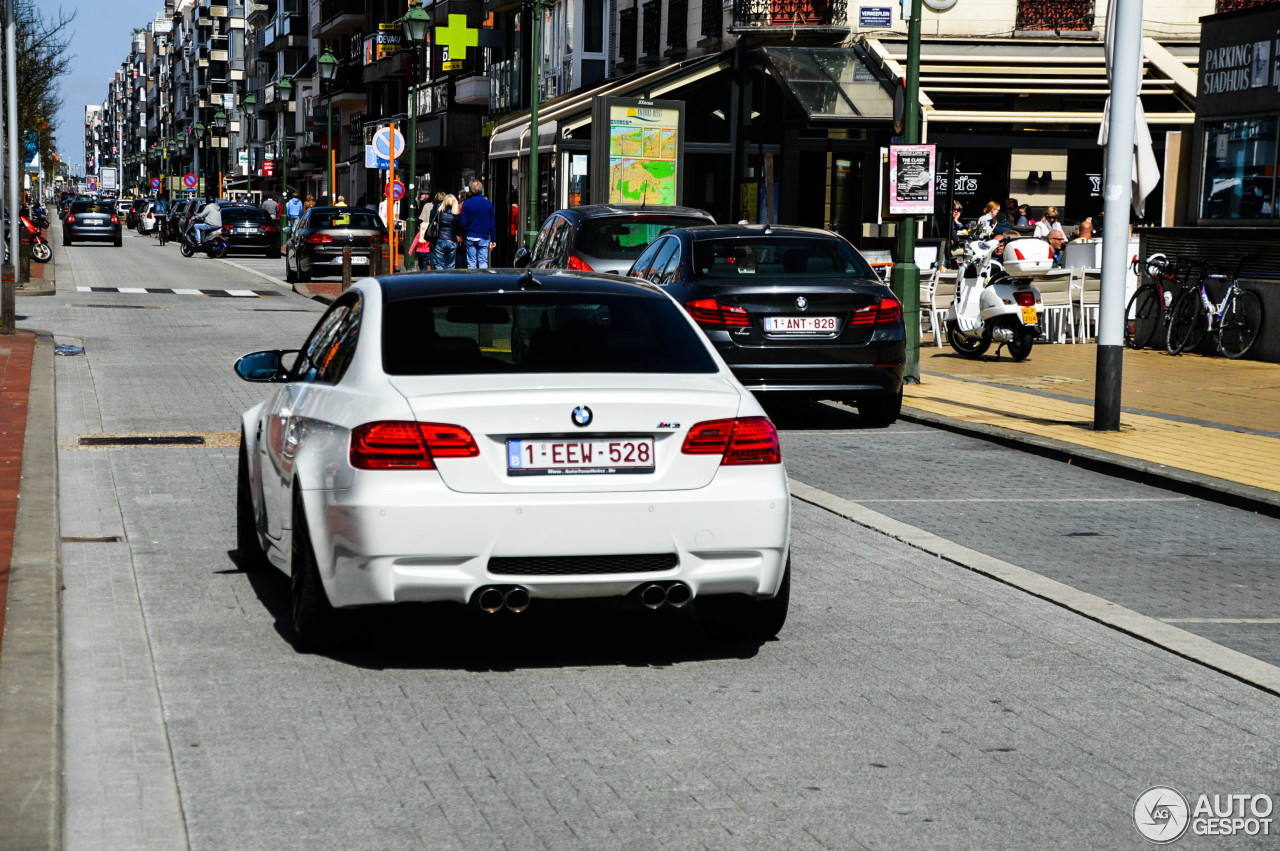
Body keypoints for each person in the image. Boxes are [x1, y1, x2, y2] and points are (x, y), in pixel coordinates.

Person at [458, 180, 495, 269]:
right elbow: (492, 223)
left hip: (470, 235)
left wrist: (464, 232)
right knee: (483, 261)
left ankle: (472, 281)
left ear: (471, 190)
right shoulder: (488, 204)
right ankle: (483, 281)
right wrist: (493, 240)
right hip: (484, 236)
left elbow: (463, 222)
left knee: (471, 261)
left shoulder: (467, 204)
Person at [434, 194, 461, 270]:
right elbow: (459, 229)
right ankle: (448, 280)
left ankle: (440, 280)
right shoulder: (457, 215)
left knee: (439, 264)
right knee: (450, 264)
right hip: (452, 240)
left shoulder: (439, 213)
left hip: (440, 239)